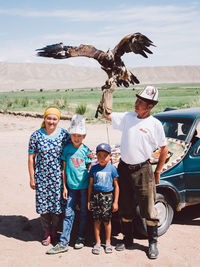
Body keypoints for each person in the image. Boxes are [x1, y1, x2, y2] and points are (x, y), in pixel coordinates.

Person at [103, 86, 168, 259]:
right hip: (123, 168)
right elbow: (106, 115)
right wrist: (108, 93)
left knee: (148, 208)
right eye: (137, 100)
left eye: (141, 102)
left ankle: (152, 243)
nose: (136, 104)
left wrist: (158, 170)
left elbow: (164, 149)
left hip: (143, 170)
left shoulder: (155, 124)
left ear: (149, 107)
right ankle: (128, 238)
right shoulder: (128, 117)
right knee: (125, 205)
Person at [46, 114, 92, 255]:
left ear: (84, 136)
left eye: (79, 135)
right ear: (70, 135)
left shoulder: (86, 151)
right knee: (68, 213)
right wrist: (64, 187)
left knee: (84, 212)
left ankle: (81, 237)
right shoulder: (66, 149)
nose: (76, 138)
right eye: (74, 135)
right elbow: (64, 170)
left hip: (84, 188)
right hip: (70, 188)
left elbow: (89, 170)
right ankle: (64, 241)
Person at [28, 106, 71, 246]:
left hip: (58, 178)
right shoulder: (36, 135)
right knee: (44, 207)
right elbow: (31, 158)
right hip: (42, 178)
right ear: (44, 118)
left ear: (58, 120)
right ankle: (46, 233)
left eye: (54, 119)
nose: (51, 121)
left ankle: (54, 231)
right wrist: (32, 178)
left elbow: (73, 149)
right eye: (49, 118)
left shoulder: (64, 135)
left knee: (57, 207)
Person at [88, 143, 119, 255]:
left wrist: (115, 202)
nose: (102, 158)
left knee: (107, 221)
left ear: (110, 156)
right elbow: (90, 185)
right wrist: (88, 201)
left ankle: (108, 242)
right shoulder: (93, 169)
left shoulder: (112, 169)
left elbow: (116, 186)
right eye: (99, 155)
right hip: (96, 197)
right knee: (96, 220)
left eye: (105, 155)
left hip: (108, 197)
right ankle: (97, 242)